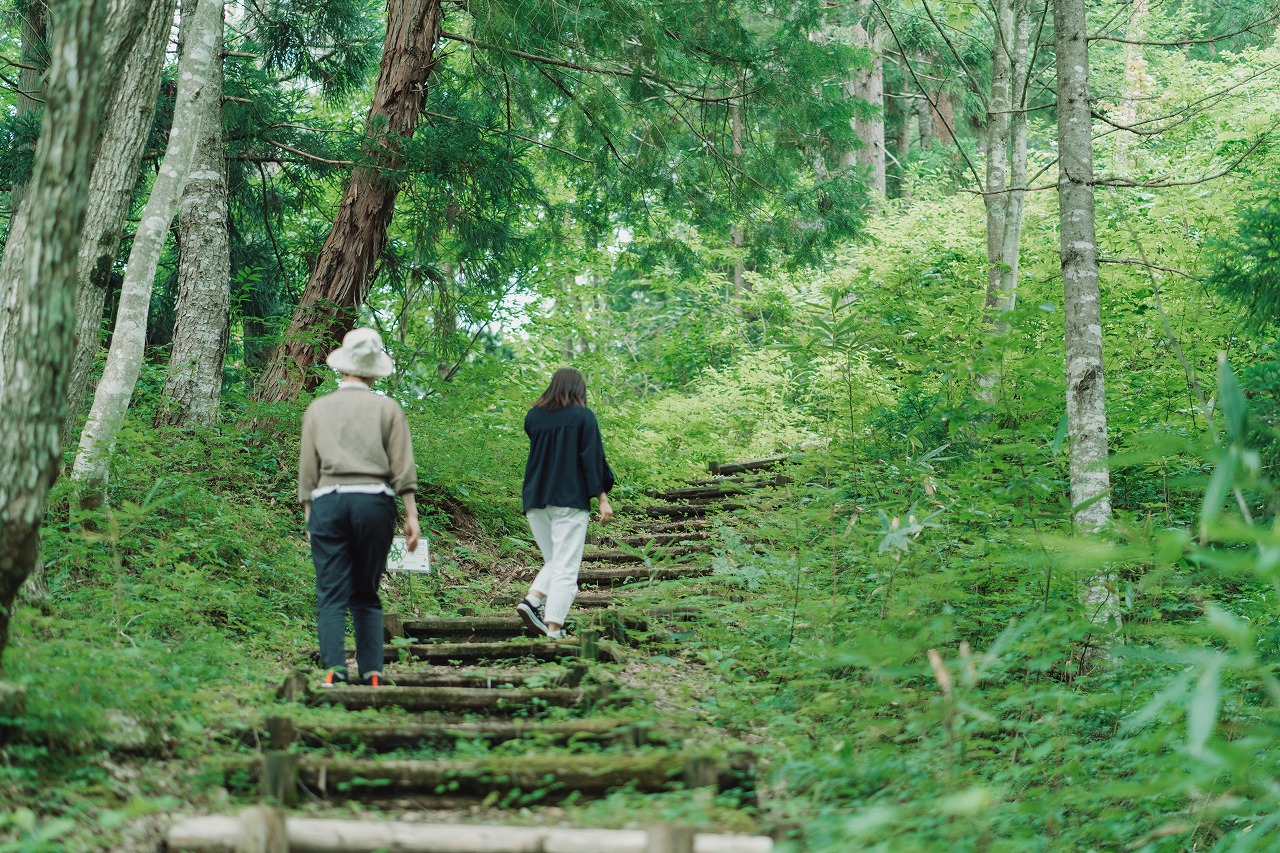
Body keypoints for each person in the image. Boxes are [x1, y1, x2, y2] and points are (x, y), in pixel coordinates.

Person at [298, 328, 420, 687]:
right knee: (366, 591)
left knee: (331, 590)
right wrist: (411, 514)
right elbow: (402, 466)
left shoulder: (319, 409)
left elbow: (308, 469)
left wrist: (310, 517)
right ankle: (373, 672)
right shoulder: (388, 408)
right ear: (373, 370)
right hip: (374, 503)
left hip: (329, 503)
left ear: (342, 367)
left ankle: (335, 669)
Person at [516, 368, 614, 640]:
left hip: (535, 500)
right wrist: (602, 498)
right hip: (569, 501)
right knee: (566, 567)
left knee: (556, 562)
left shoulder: (533, 417)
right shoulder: (583, 416)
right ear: (578, 388)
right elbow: (593, 459)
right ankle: (552, 626)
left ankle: (533, 603)